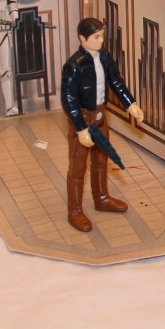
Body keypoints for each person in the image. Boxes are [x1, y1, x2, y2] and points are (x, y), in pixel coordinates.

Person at [60, 18, 144, 233]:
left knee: (100, 159)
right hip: (82, 119)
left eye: (102, 36)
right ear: (82, 38)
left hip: (100, 116)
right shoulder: (74, 65)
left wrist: (131, 104)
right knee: (78, 167)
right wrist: (80, 129)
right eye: (96, 37)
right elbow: (68, 99)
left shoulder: (104, 57)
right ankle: (75, 210)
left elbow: (116, 82)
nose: (101, 41)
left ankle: (102, 197)